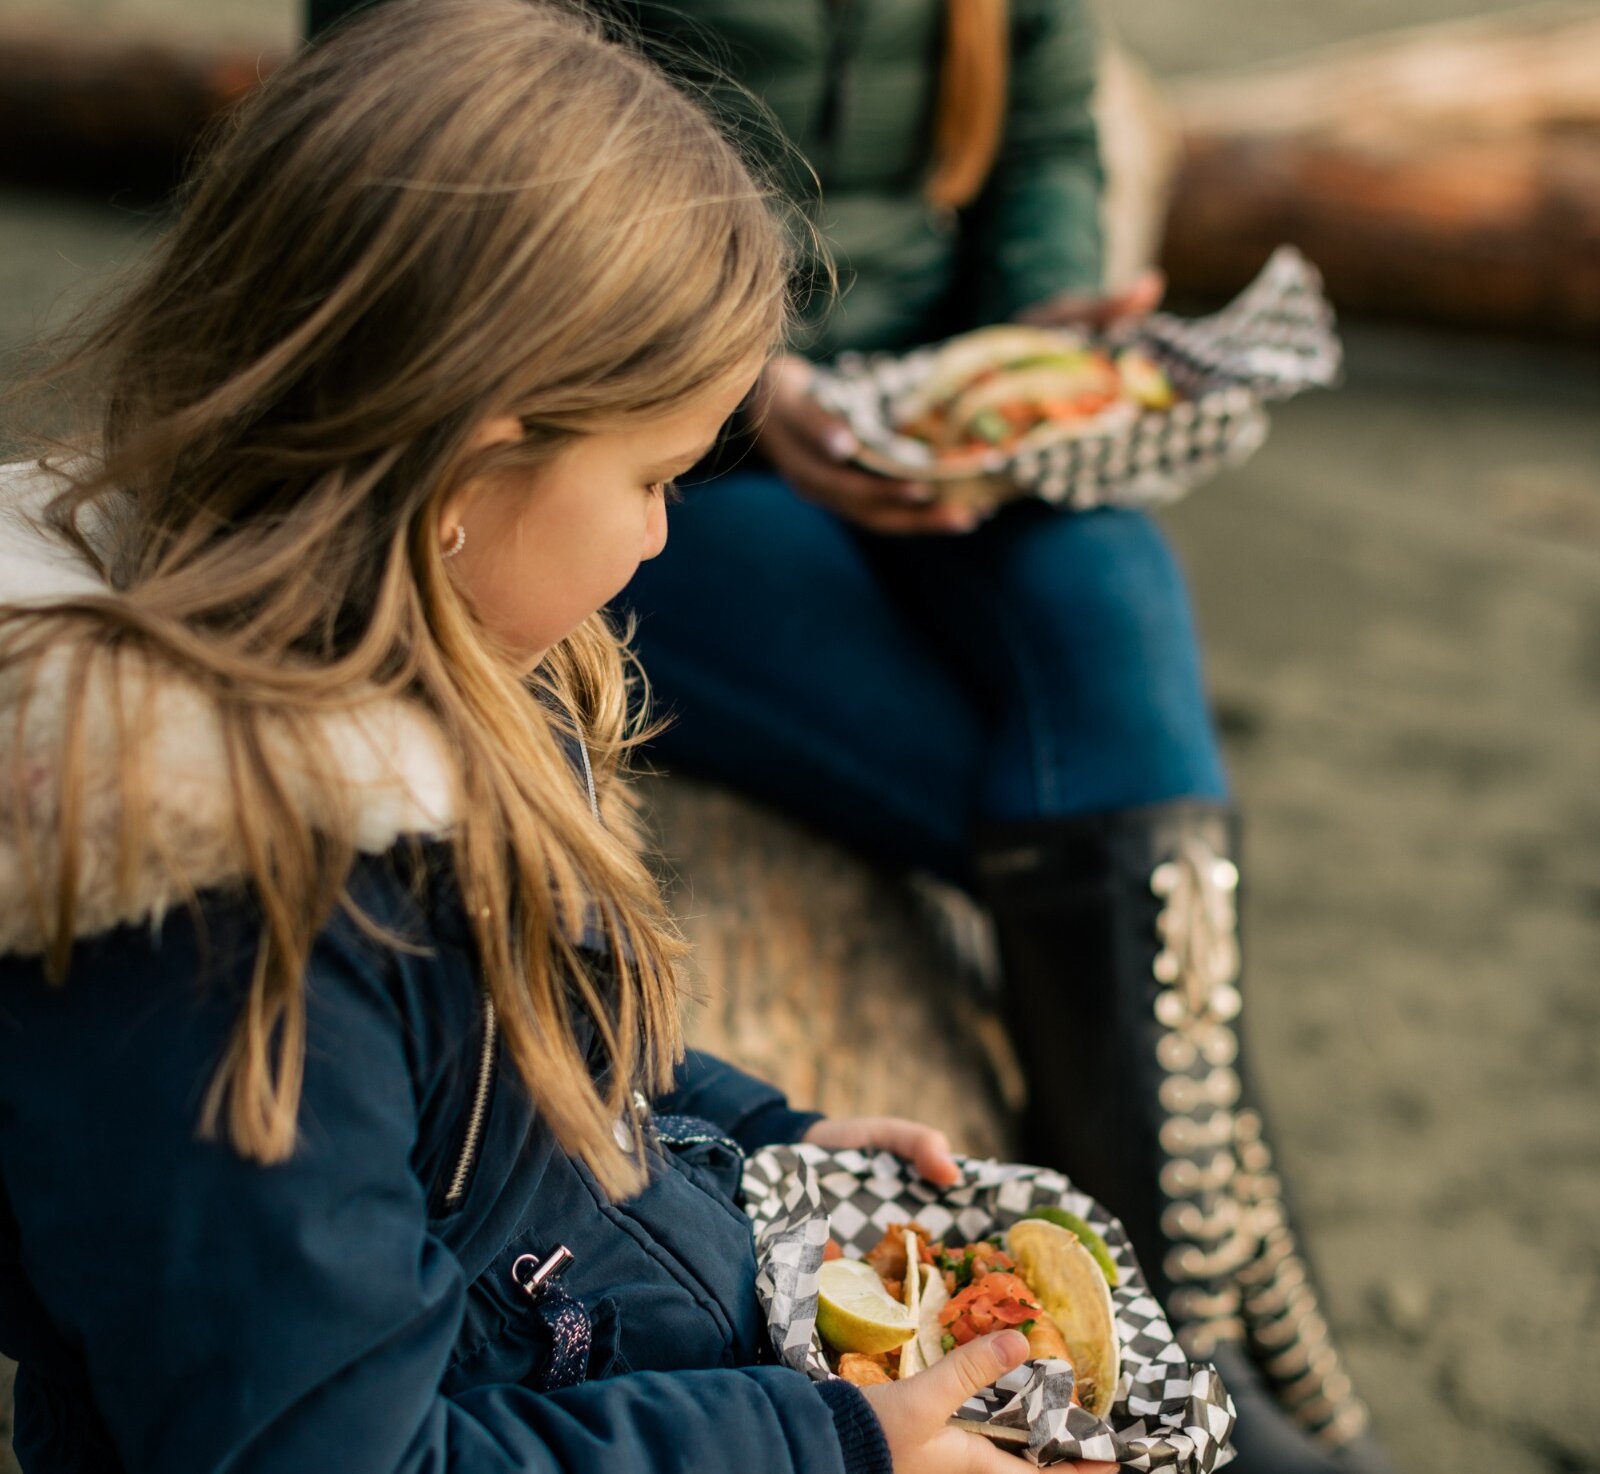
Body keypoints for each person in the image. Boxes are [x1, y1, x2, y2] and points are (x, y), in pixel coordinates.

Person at [0, 5, 1129, 1472]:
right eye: (658, 476)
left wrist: (759, 1128)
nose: (667, 535)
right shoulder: (228, 925)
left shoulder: (427, 640)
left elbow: (513, 1086)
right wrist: (831, 1450)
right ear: (475, 456)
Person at [302, 3, 1394, 1471]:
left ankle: (1168, 1332)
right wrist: (753, 382)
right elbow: (417, 127)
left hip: (929, 412)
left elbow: (1049, 118)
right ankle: (1207, 1340)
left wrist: (1029, 341)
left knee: (1115, 607)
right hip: (662, 418)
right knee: (1076, 809)